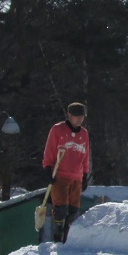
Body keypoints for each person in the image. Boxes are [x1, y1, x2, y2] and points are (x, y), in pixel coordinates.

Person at [42, 102, 92, 243]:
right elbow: (50, 150)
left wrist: (85, 174)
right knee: (60, 209)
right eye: (76, 116)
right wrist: (47, 168)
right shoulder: (58, 130)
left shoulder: (84, 134)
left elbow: (85, 155)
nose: (79, 119)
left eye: (81, 116)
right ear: (69, 115)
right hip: (60, 175)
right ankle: (57, 238)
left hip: (76, 176)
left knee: (73, 210)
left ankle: (67, 238)